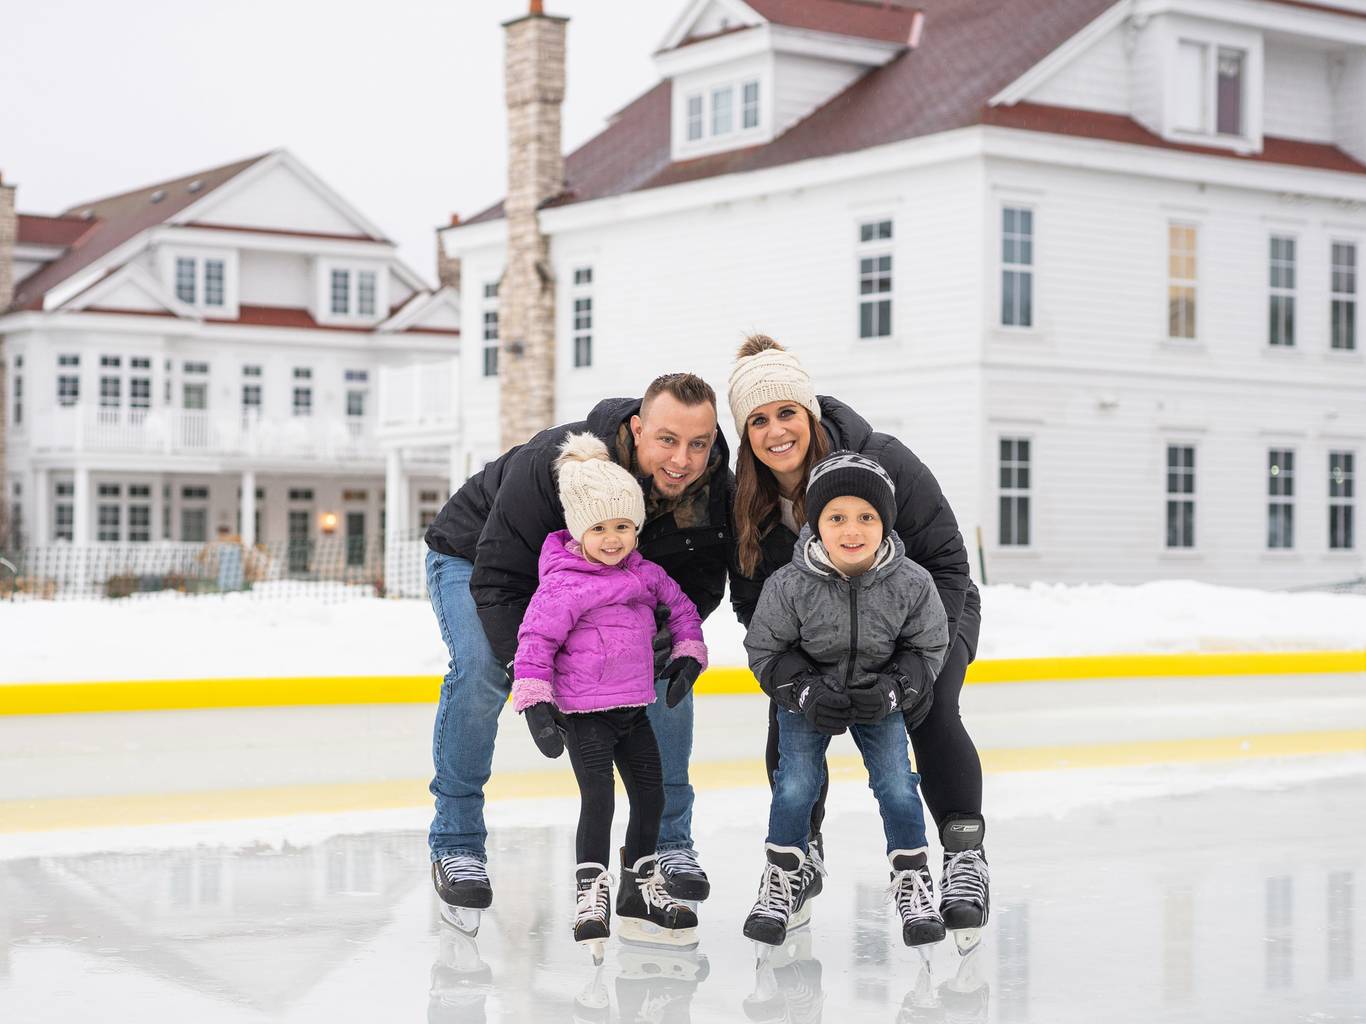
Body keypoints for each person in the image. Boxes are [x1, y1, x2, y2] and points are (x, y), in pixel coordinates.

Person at [422, 373, 732, 927]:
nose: (683, 459)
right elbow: (497, 579)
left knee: (660, 670)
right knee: (484, 669)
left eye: (698, 443)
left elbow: (702, 575)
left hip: (612, 577)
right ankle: (457, 843)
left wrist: (671, 641)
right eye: (667, 439)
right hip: (479, 561)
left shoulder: (710, 486)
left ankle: (667, 846)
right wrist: (533, 674)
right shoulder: (554, 465)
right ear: (637, 430)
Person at [727, 335, 989, 949]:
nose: (776, 431)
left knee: (929, 711)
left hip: (925, 615)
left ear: (810, 413)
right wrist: (795, 677)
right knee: (790, 716)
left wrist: (912, 672)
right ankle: (799, 859)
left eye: (787, 412)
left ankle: (963, 857)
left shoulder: (881, 461)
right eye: (758, 420)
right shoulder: (746, 498)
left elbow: (948, 561)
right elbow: (754, 605)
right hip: (817, 632)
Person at [511, 432, 708, 959]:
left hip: (632, 710)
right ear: (579, 530)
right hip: (584, 717)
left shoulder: (645, 574)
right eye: (600, 528)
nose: (614, 538)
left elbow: (683, 607)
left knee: (653, 797)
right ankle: (590, 892)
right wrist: (536, 703)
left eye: (623, 526)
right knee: (598, 801)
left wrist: (689, 650)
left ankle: (638, 886)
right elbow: (535, 642)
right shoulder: (562, 585)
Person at [742, 450, 949, 951]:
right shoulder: (789, 584)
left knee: (898, 784)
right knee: (795, 784)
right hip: (810, 698)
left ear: (885, 523)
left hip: (880, 697)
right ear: (816, 524)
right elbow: (765, 649)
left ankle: (911, 877)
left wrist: (897, 687)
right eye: (837, 517)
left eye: (866, 517)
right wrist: (802, 688)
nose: (851, 530)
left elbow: (929, 646)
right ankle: (783, 875)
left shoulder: (912, 583)